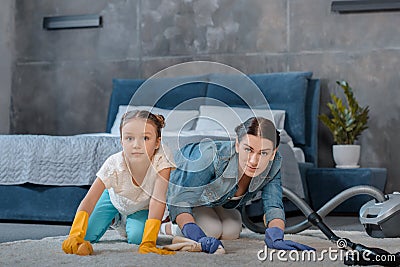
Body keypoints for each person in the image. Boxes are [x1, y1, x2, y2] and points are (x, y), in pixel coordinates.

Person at [165, 117, 315, 254]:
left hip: (215, 199)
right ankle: (166, 227)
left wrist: (276, 235)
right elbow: (180, 200)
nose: (253, 161)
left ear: (273, 153)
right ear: (237, 144)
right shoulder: (211, 156)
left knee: (231, 231)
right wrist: (194, 233)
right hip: (178, 192)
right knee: (211, 229)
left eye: (263, 153)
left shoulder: (274, 164)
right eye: (248, 149)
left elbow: (273, 205)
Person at [62, 110, 175, 255]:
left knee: (137, 238)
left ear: (157, 142)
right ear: (121, 140)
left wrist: (149, 241)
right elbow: (90, 199)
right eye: (129, 138)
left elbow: (158, 199)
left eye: (145, 138)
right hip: (113, 198)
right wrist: (75, 233)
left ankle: (123, 223)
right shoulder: (113, 164)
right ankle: (115, 219)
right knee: (87, 236)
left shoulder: (162, 159)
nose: (136, 145)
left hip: (141, 206)